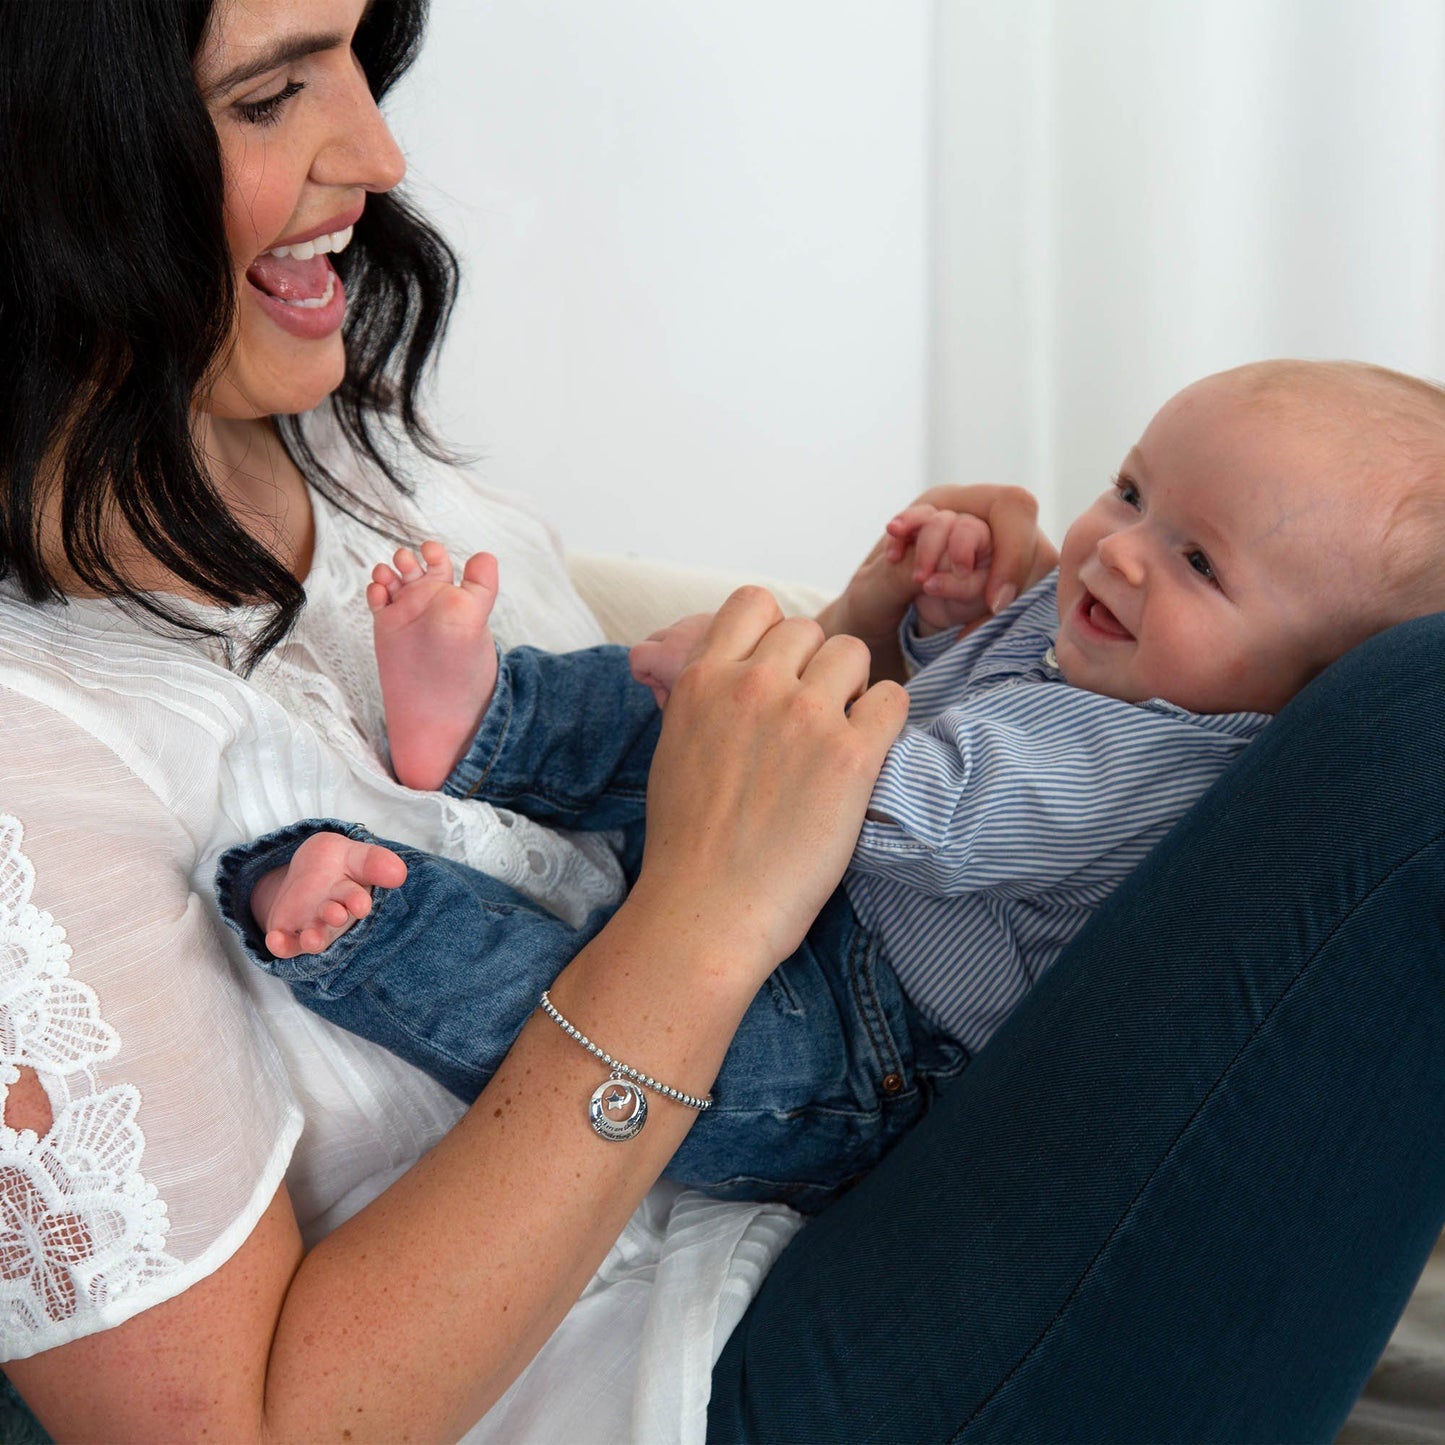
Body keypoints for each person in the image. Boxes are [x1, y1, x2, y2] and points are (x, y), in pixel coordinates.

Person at [1, 3, 1443, 1442]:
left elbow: (646, 776)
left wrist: (873, 624)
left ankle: (490, 756)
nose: (379, 152)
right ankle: (378, 923)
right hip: (681, 1376)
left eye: (354, 57)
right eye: (268, 97)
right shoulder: (35, 746)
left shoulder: (300, 414)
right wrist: (707, 915)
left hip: (833, 1152)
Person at [214, 358, 1445, 1214]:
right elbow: (952, 694)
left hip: (874, 1036)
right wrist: (933, 618)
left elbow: (934, 807)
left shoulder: (1166, 762)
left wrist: (743, 693)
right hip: (812, 877)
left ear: (1312, 688)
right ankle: (482, 716)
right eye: (1130, 489)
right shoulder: (1119, 629)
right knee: (663, 716)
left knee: (631, 1054)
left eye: (1196, 560)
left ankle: (384, 930)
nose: (1117, 550)